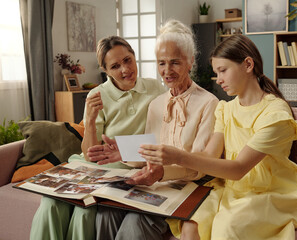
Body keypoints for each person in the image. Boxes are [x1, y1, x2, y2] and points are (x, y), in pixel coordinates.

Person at [139, 34, 297, 240]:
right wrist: (162, 170)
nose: (218, 79)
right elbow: (209, 155)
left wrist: (178, 156)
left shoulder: (275, 115)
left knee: (226, 230)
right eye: (216, 72)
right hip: (230, 188)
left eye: (223, 71)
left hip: (267, 192)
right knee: (191, 226)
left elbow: (238, 169)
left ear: (248, 65)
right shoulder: (225, 109)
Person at [87, 19, 219, 240]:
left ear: (190, 61)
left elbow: (200, 167)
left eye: (175, 62)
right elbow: (151, 152)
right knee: (105, 212)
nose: (167, 71)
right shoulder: (156, 103)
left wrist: (161, 173)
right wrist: (125, 153)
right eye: (161, 63)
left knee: (135, 223)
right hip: (155, 183)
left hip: (187, 188)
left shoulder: (209, 103)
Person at [29, 36, 165, 240]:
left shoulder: (155, 88)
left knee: (85, 210)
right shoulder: (96, 95)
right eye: (115, 66)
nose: (125, 70)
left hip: (126, 166)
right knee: (51, 203)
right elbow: (90, 154)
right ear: (106, 70)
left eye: (127, 60)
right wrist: (90, 121)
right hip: (94, 165)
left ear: (134, 57)